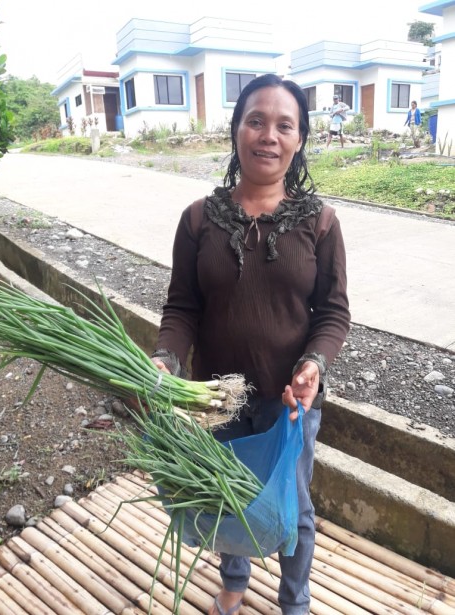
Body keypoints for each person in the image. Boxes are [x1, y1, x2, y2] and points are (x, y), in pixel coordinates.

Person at [152, 73, 350, 615]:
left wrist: (313, 364)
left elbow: (333, 313)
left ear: (300, 139)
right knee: (223, 491)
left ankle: (295, 601)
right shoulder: (198, 219)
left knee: (296, 508)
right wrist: (166, 359)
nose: (269, 135)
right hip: (214, 398)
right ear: (236, 130)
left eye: (284, 125)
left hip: (291, 399)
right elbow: (182, 308)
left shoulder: (321, 223)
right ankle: (234, 580)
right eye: (255, 121)